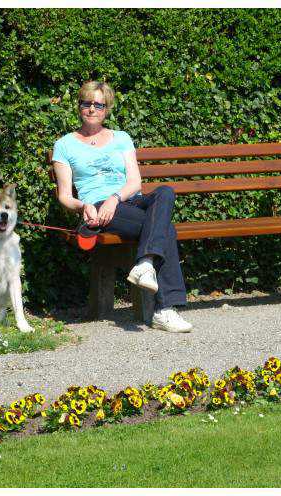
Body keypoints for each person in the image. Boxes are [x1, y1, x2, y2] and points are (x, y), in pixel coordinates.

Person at [51, 81, 193, 333]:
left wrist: (114, 198)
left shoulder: (122, 138)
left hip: (127, 200)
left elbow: (135, 181)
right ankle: (164, 309)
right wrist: (83, 206)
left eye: (98, 104)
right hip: (97, 208)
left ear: (107, 109)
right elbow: (64, 195)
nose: (92, 109)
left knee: (165, 192)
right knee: (165, 229)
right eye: (87, 103)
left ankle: (145, 263)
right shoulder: (64, 145)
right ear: (79, 107)